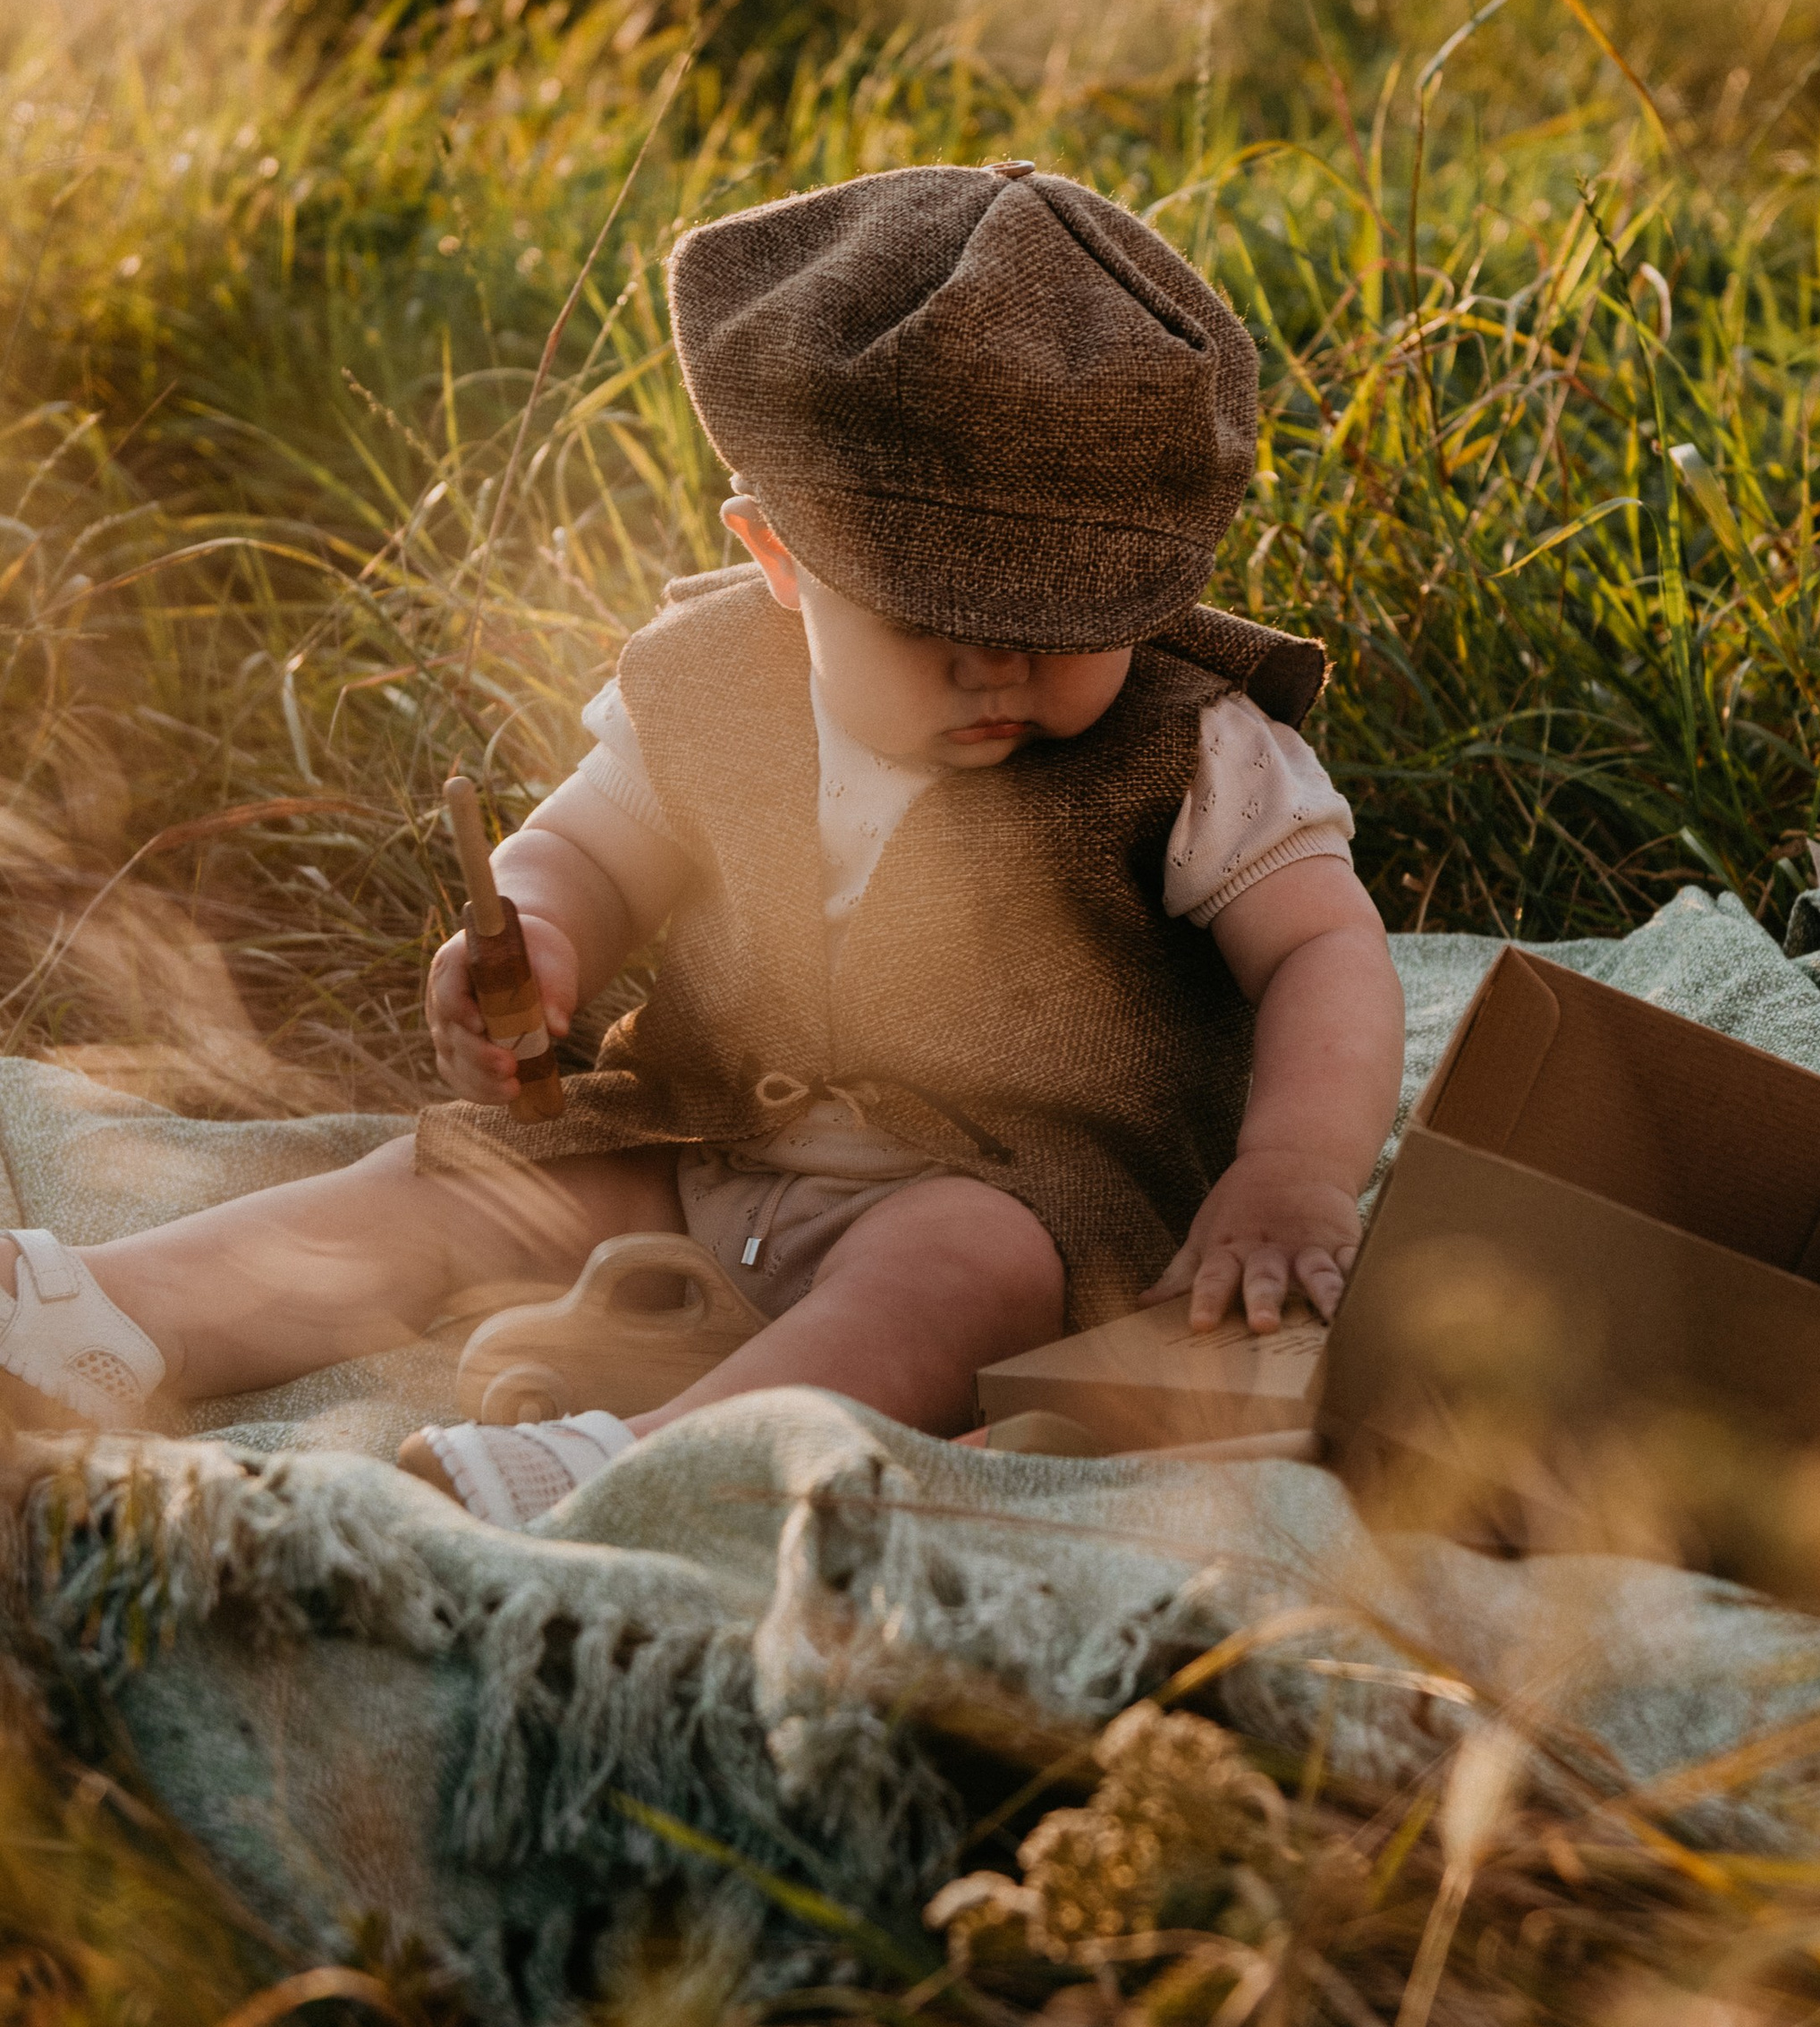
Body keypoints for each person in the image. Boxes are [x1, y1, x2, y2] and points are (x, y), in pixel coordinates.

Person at [0, 161, 1405, 1524]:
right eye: (924, 619)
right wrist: (539, 937)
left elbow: (1321, 950)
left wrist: (1289, 1170)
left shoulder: (1194, 744)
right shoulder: (711, 681)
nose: (996, 665)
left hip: (1014, 1190)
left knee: (955, 1275)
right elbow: (589, 850)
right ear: (779, 558)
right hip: (704, 1138)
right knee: (459, 1184)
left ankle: (642, 1467)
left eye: (1063, 622)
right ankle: (117, 1312)